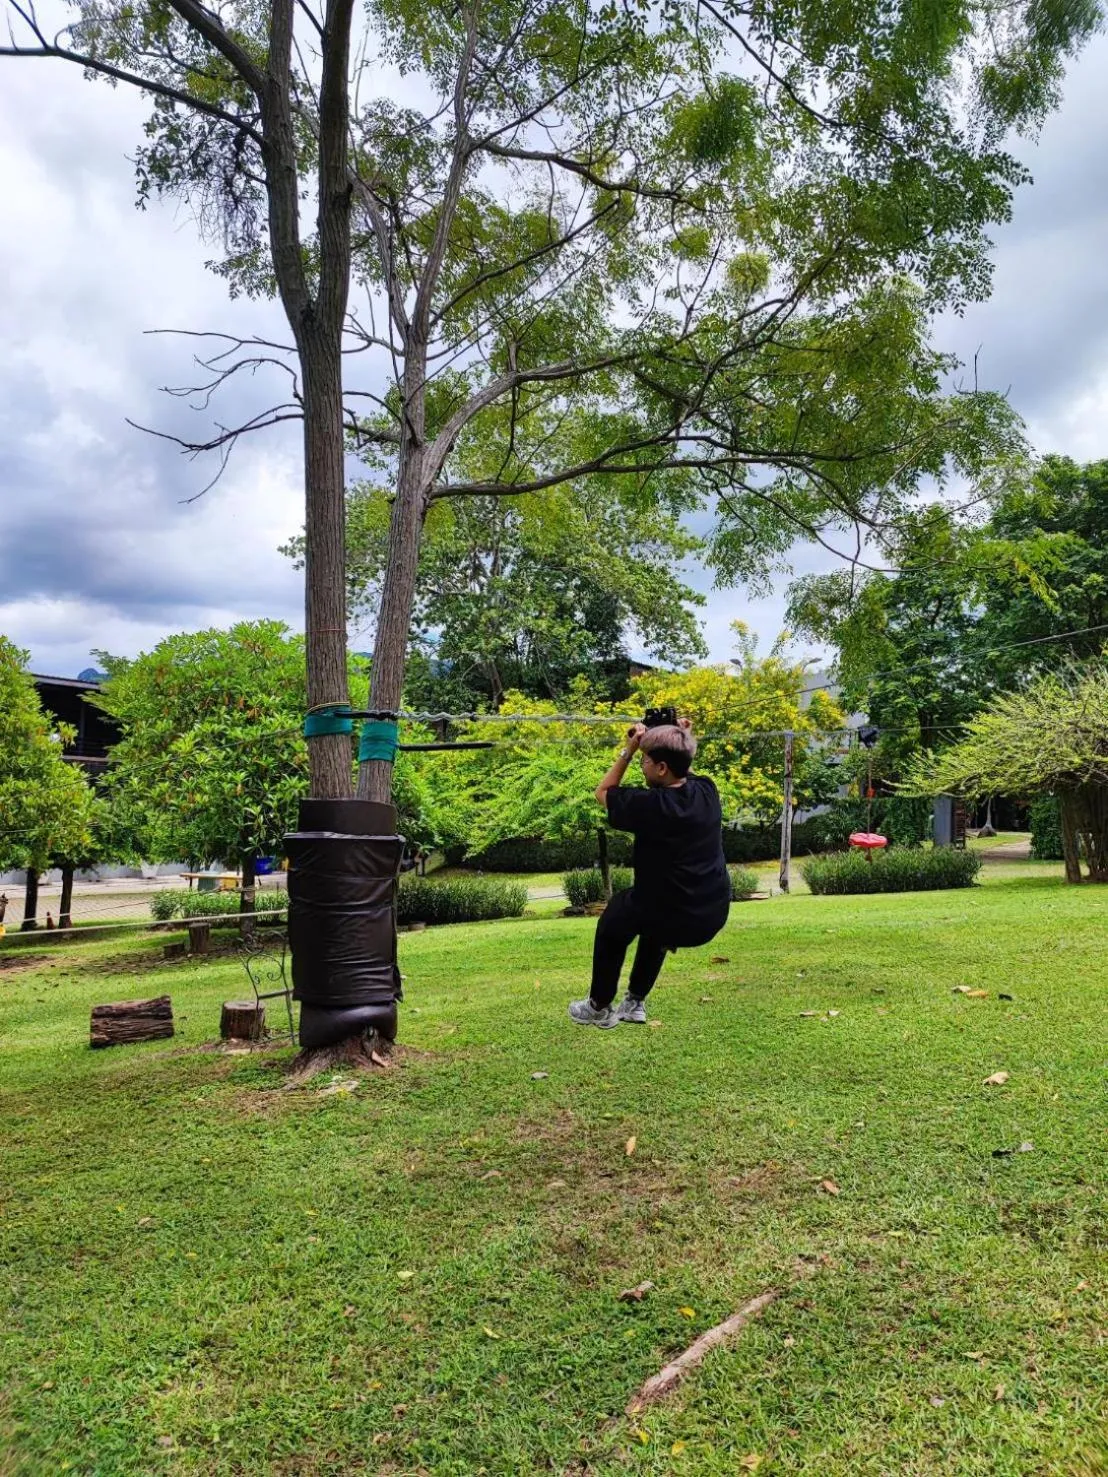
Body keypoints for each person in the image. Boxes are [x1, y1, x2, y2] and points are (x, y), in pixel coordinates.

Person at [568, 718, 731, 1028]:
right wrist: (681, 734)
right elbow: (685, 766)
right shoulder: (707, 790)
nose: (641, 765)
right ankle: (634, 1003)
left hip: (673, 914)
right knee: (651, 917)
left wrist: (628, 750)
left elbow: (603, 792)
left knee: (614, 921)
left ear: (661, 769)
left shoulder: (651, 805)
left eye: (645, 760)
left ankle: (599, 1005)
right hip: (710, 915)